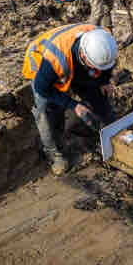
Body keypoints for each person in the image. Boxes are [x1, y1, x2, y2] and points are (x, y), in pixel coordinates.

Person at [22, 24, 119, 175]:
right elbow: (43, 88)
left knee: (96, 92)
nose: (99, 71)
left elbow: (105, 67)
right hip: (40, 59)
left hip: (73, 60)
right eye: (95, 67)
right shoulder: (54, 60)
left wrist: (104, 81)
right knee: (47, 109)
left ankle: (110, 128)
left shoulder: (103, 41)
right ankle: (54, 153)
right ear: (83, 55)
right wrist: (73, 105)